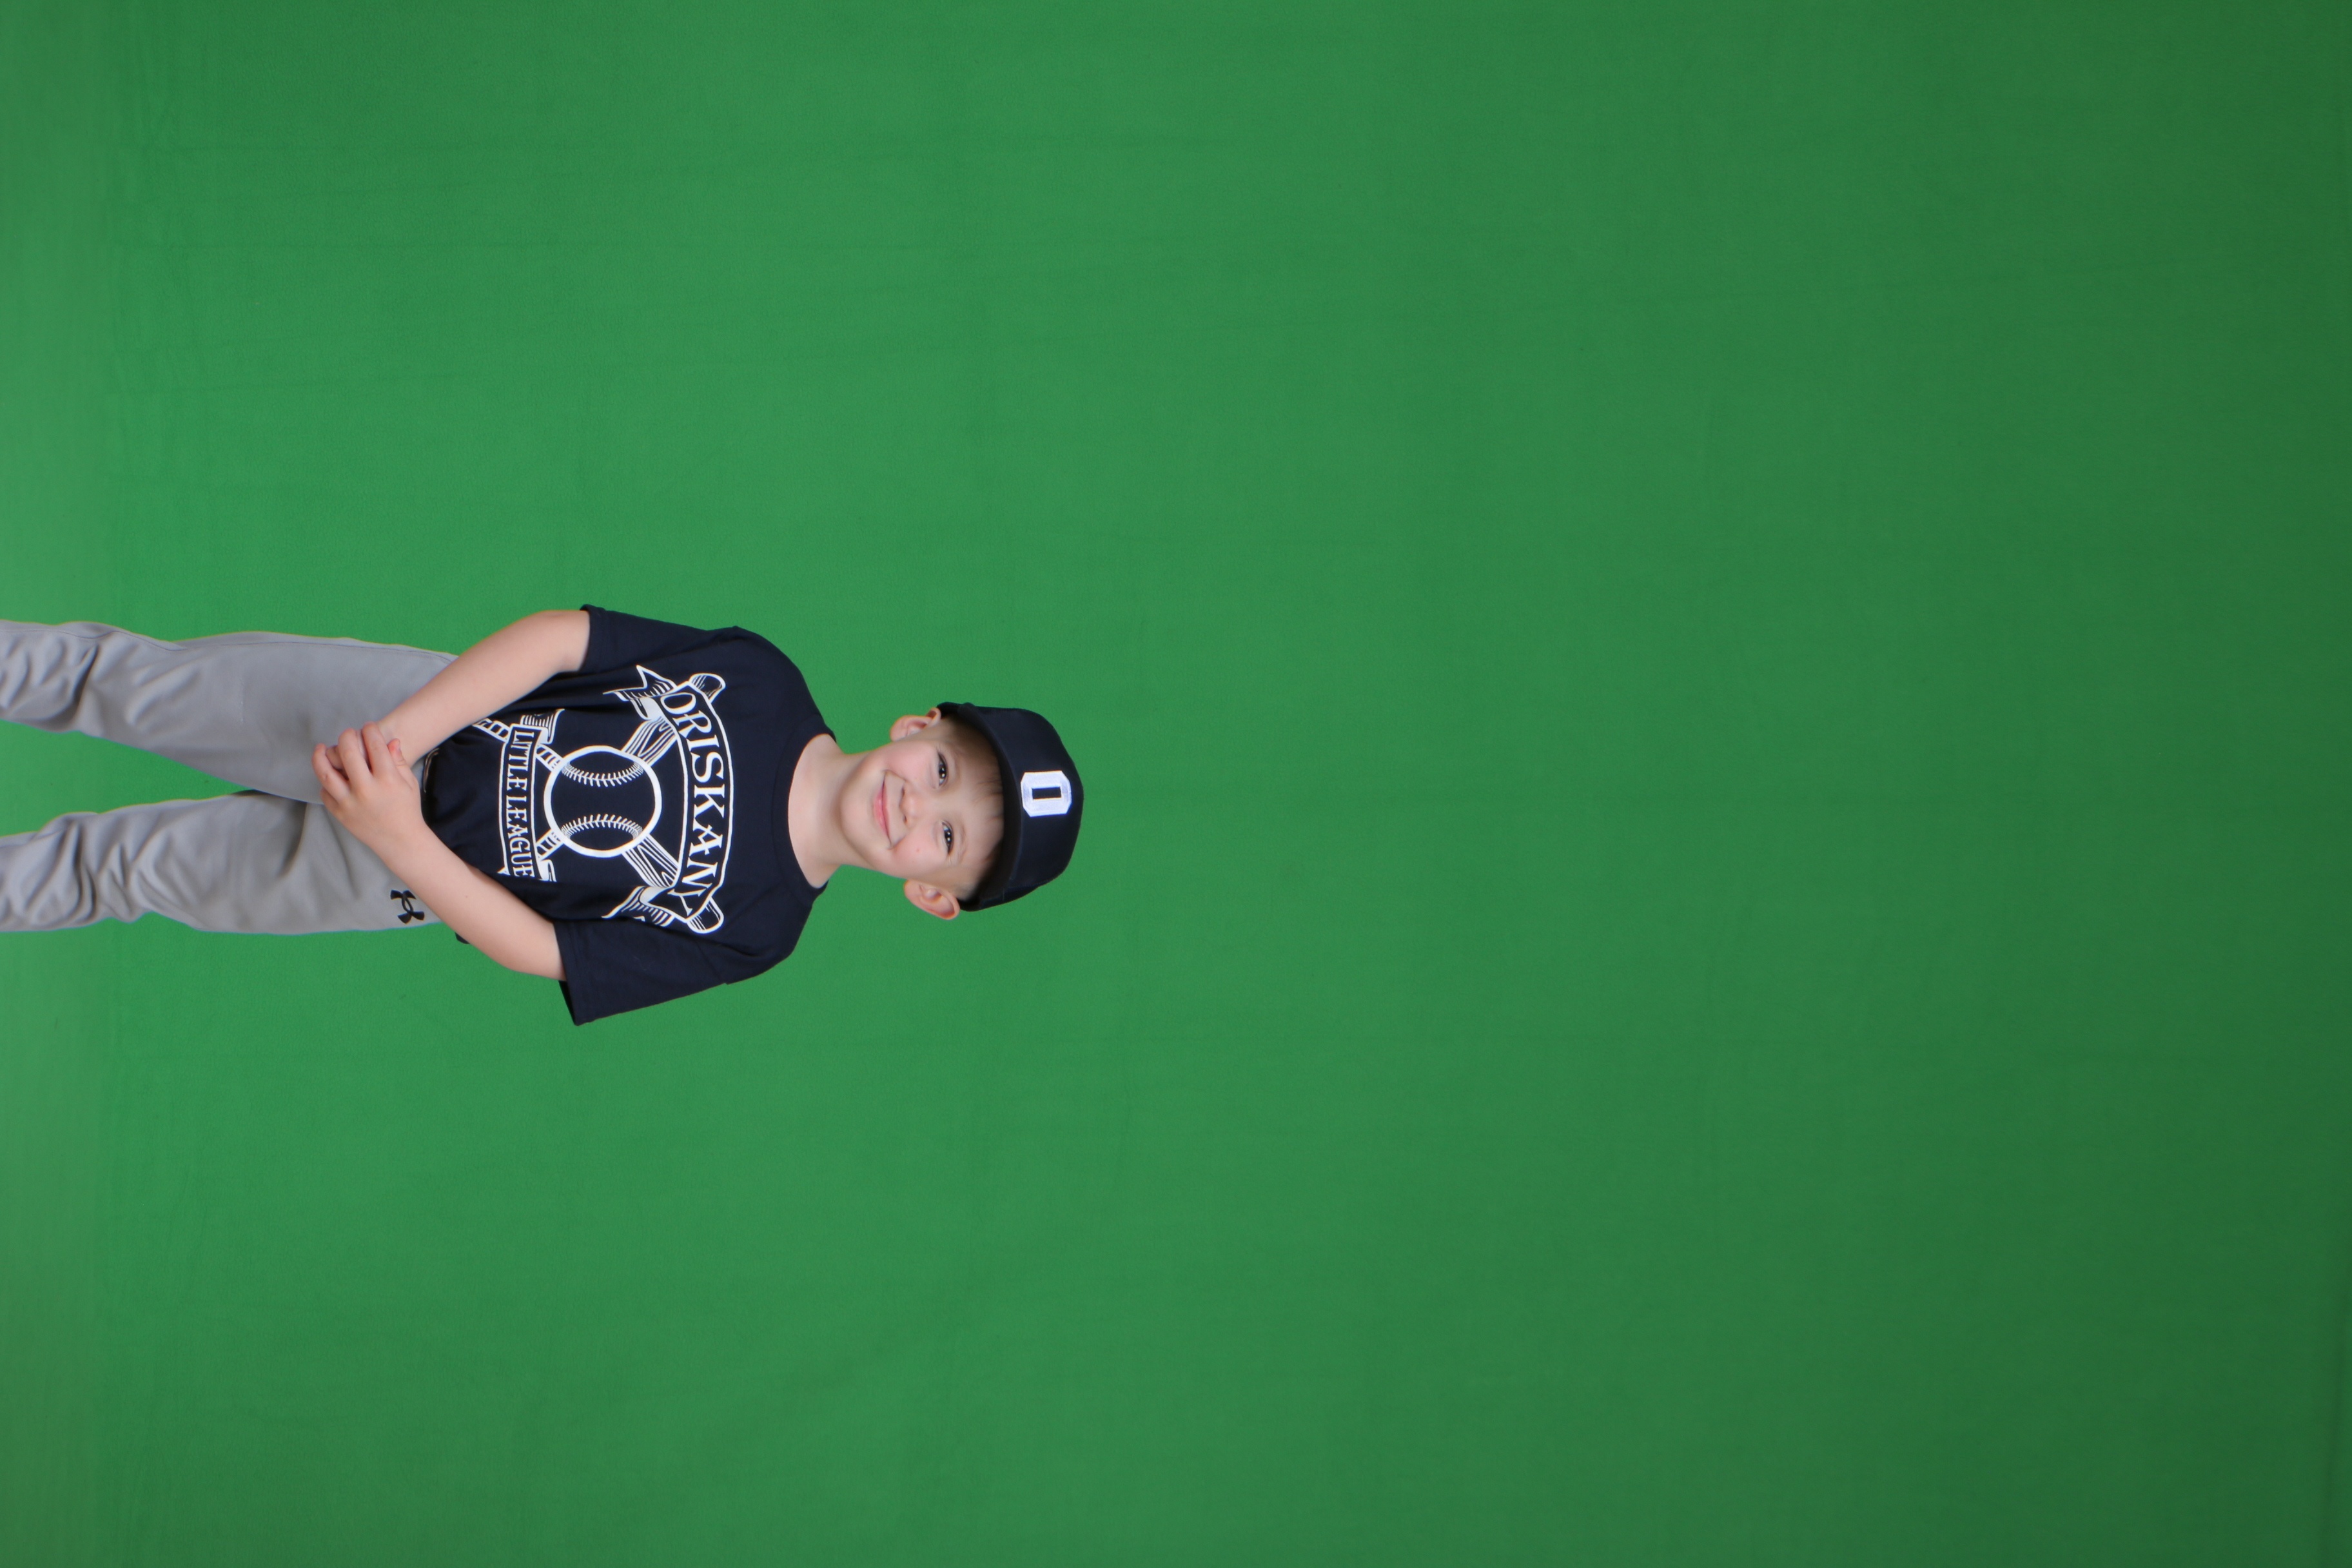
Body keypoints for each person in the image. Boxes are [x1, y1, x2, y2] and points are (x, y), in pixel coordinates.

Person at [0, 609, 1084, 1024]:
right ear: (920, 723)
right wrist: (400, 743)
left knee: (122, 870)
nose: (918, 803)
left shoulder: (758, 929)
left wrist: (400, 838)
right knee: (122, 683)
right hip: (393, 720)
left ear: (932, 894)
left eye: (949, 837)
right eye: (944, 768)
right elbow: (568, 639)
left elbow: (549, 952)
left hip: (398, 871)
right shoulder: (761, 680)